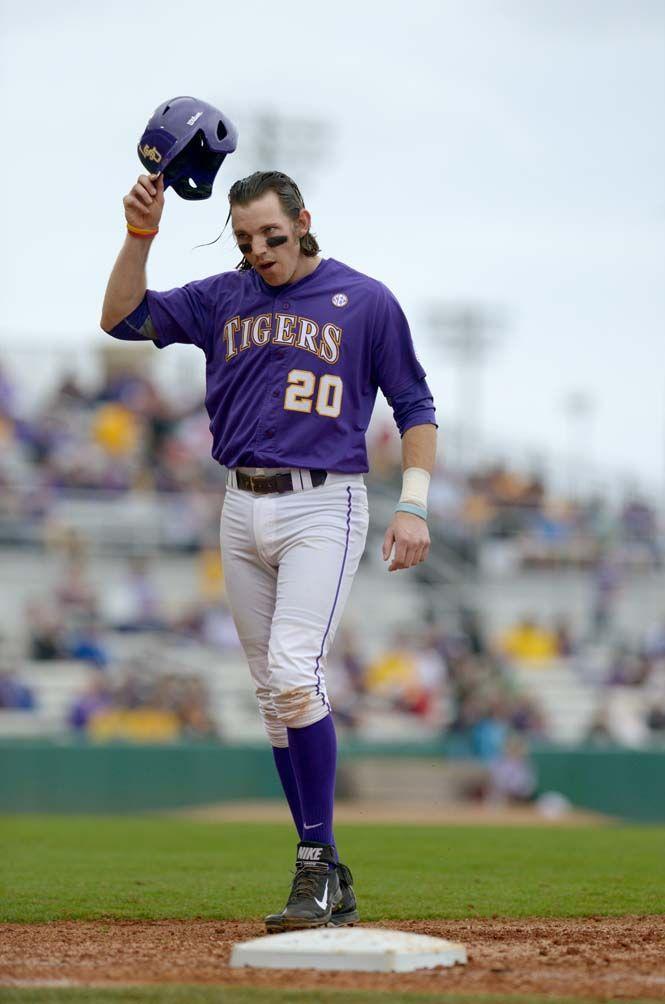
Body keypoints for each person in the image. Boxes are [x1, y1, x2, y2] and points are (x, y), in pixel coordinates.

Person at [100, 168, 437, 931]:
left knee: (293, 669)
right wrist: (139, 236)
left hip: (326, 500)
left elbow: (415, 404)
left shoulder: (365, 301)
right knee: (272, 696)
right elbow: (121, 319)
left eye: (272, 236)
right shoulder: (225, 295)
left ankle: (314, 867)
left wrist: (413, 504)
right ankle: (328, 872)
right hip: (240, 503)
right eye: (246, 239)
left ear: (304, 220)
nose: (260, 251)